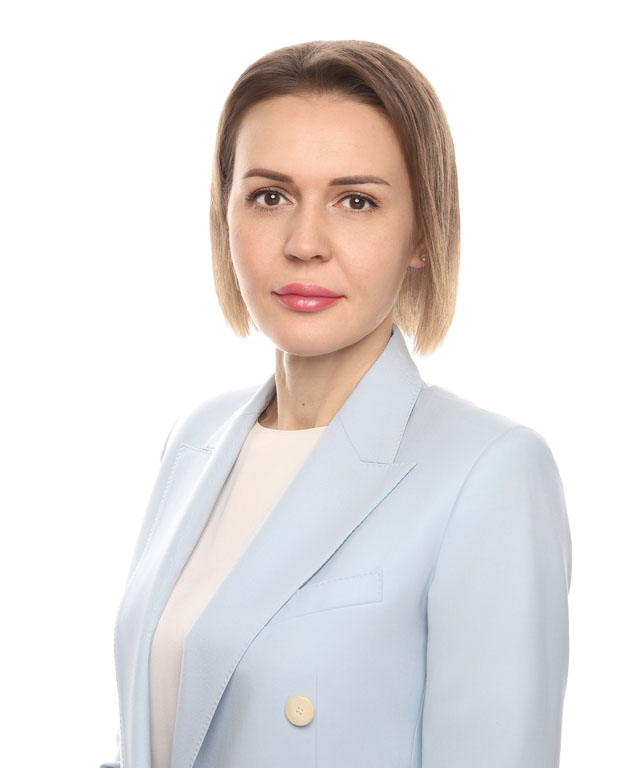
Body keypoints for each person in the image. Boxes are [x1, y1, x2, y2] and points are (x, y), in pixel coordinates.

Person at [100, 39, 572, 768]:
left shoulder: (490, 473)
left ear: (422, 233)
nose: (305, 243)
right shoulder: (195, 440)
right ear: (225, 215)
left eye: (356, 201)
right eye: (270, 196)